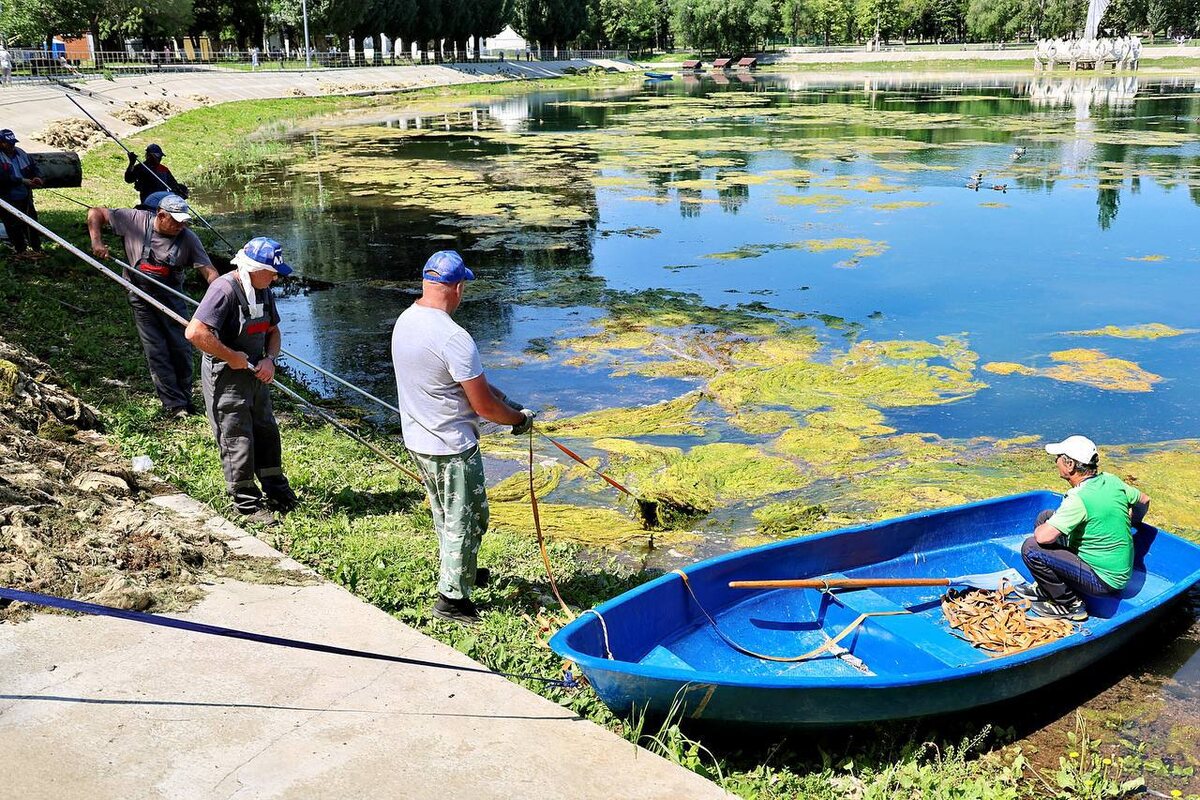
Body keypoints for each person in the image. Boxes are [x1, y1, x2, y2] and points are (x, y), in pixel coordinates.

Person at [391, 251, 535, 625]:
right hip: (451, 445)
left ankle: (462, 573)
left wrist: (502, 397)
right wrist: (518, 418)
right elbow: (484, 407)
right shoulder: (454, 337)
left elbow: (458, 383)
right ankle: (451, 601)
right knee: (464, 520)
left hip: (419, 438)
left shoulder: (407, 320)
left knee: (448, 514)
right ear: (457, 288)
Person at [185, 237, 298, 526]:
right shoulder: (223, 290)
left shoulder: (264, 291)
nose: (275, 277)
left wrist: (269, 360)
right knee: (237, 437)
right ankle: (246, 503)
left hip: (256, 374)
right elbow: (195, 333)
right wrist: (230, 355)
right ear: (253, 268)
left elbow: (273, 331)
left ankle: (276, 489)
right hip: (226, 378)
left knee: (267, 432)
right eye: (271, 272)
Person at [87, 194, 218, 416]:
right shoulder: (134, 220)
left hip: (172, 298)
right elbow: (95, 212)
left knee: (181, 349)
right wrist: (96, 241)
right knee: (157, 350)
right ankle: (174, 405)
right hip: (140, 297)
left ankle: (185, 398)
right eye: (176, 220)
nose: (181, 225)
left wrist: (218, 295)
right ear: (161, 215)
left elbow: (209, 271)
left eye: (184, 221)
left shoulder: (188, 238)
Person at [1019, 435, 1150, 621]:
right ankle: (1046, 586)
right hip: (1115, 569)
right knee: (1046, 516)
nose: (1055, 461)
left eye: (1058, 457)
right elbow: (1144, 500)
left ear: (1070, 464)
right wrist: (1133, 521)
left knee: (1031, 548)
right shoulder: (1110, 480)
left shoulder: (1079, 498)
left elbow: (1042, 538)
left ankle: (1070, 604)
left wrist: (1048, 528)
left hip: (1104, 580)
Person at [0, 129, 44, 259]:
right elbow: (2, 178)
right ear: (1, 143)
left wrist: (37, 177)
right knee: (12, 224)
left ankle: (36, 248)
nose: (11, 146)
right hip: (6, 196)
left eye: (13, 143)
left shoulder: (21, 153)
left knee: (31, 221)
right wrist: (22, 181)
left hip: (24, 195)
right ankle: (20, 250)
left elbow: (34, 167)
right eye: (8, 143)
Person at [124, 143, 188, 204]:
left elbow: (173, 184)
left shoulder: (163, 169)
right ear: (148, 155)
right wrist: (131, 163)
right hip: (147, 200)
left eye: (160, 156)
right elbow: (128, 179)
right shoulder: (141, 167)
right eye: (157, 156)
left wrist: (181, 190)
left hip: (162, 201)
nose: (159, 158)